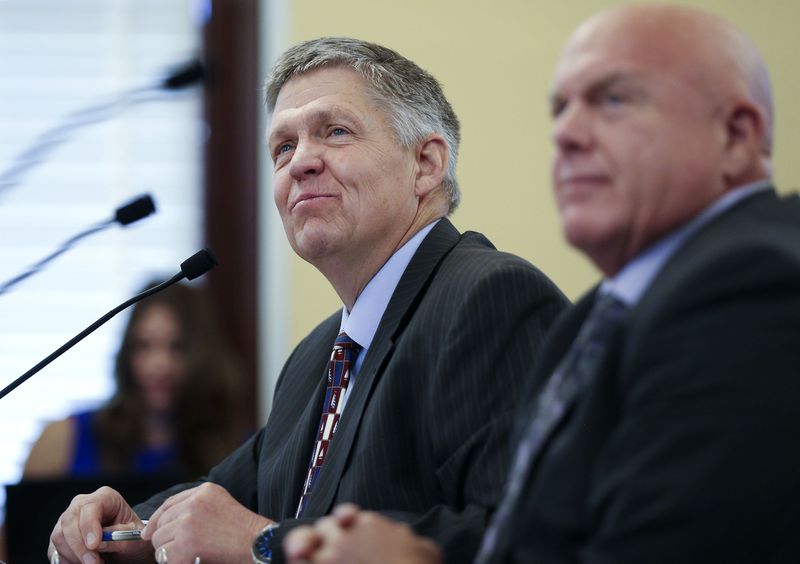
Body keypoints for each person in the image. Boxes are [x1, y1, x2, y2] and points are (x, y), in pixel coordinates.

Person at [281, 5, 800, 563]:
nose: (568, 133)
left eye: (613, 100)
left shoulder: (753, 286)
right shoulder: (601, 313)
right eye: (561, 109)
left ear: (737, 136)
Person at [46, 38, 568, 564]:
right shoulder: (320, 355)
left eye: (334, 132)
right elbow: (225, 497)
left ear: (426, 163)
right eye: (283, 148)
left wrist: (266, 544)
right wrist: (127, 531)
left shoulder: (489, 299)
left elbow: (526, 540)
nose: (300, 163)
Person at [23, 280, 244, 480]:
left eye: (177, 347)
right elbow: (21, 524)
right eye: (144, 345)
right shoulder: (63, 440)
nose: (159, 364)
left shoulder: (241, 452)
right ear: (127, 354)